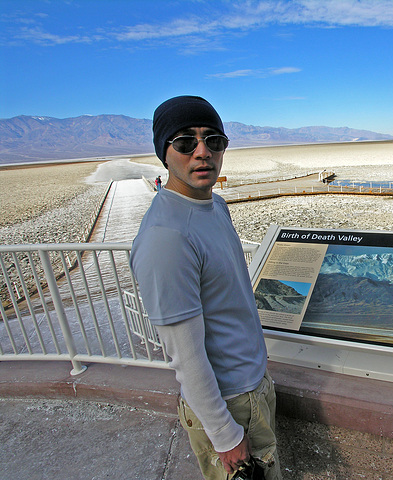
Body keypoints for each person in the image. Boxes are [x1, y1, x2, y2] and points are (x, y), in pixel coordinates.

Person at [130, 95, 281, 480]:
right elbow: (186, 356)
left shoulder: (216, 206)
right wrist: (225, 435)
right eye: (185, 142)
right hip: (229, 404)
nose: (202, 153)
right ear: (164, 153)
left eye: (214, 140)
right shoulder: (167, 237)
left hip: (251, 388)